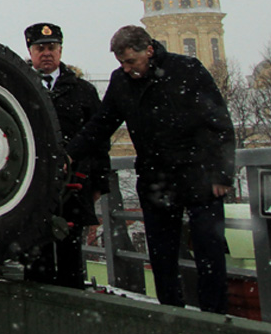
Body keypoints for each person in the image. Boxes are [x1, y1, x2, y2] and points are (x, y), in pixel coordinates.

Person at [66, 25, 235, 314]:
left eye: (132, 61)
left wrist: (222, 174)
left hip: (199, 173)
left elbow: (218, 122)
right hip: (156, 176)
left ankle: (215, 316)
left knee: (209, 249)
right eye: (122, 63)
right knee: (161, 254)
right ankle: (171, 313)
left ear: (149, 50)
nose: (128, 68)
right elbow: (101, 125)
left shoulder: (186, 70)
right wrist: (69, 154)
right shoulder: (122, 82)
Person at [23, 22, 108, 288]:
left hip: (74, 183)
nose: (46, 53)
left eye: (52, 47)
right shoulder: (21, 87)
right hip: (32, 184)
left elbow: (99, 138)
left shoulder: (82, 91)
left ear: (60, 50)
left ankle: (72, 300)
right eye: (40, 48)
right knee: (36, 253)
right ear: (30, 51)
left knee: (71, 251)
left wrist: (100, 182)